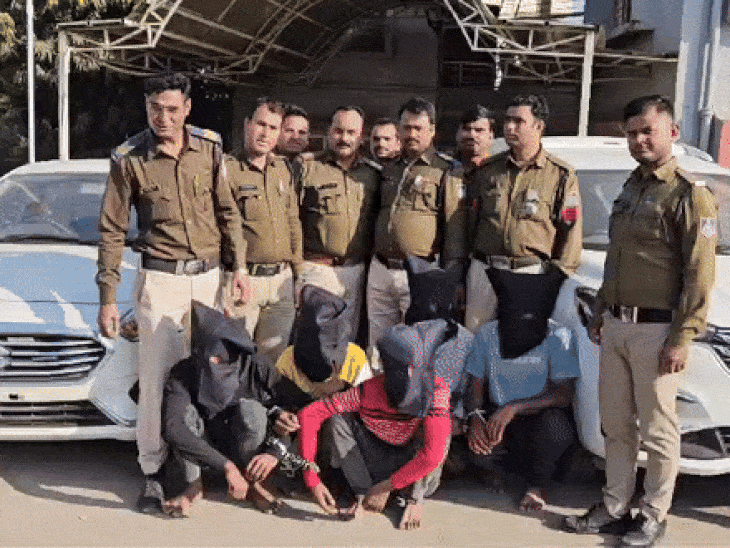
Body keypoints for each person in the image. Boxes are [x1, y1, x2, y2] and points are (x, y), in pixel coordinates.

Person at [565, 95, 717, 548]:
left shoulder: (688, 194)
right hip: (617, 325)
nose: (639, 140)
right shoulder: (631, 187)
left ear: (672, 132)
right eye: (631, 133)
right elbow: (617, 260)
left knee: (658, 430)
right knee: (616, 426)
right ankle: (615, 506)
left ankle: (653, 514)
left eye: (648, 131)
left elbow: (699, 273)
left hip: (658, 331)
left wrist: (682, 336)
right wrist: (601, 311)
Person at [96, 72, 248, 514]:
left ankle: (199, 466)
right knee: (156, 382)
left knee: (208, 375)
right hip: (160, 281)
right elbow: (112, 230)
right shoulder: (129, 159)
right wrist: (108, 297)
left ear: (187, 109)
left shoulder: (210, 147)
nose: (163, 118)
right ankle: (152, 471)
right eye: (154, 109)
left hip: (208, 280)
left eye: (171, 109)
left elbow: (227, 212)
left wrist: (238, 268)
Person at [298, 259, 472, 530]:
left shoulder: (434, 391)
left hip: (412, 465)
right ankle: (362, 492)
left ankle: (413, 498)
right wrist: (311, 477)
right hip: (377, 459)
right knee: (339, 419)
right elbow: (310, 414)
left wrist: (387, 487)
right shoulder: (371, 389)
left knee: (441, 429)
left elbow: (432, 455)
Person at [161, 302, 316, 517]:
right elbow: (173, 428)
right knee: (185, 414)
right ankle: (193, 485)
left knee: (251, 411)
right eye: (213, 360)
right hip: (204, 451)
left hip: (245, 446)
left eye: (226, 361)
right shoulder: (183, 373)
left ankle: (255, 481)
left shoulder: (257, 367)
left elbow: (305, 407)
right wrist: (226, 466)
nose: (220, 365)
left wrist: (275, 451)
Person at [463, 266, 580, 512]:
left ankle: (537, 486)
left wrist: (514, 408)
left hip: (538, 417)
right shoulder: (487, 334)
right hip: (497, 417)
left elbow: (563, 395)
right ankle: (502, 469)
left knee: (556, 431)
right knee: (478, 451)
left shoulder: (559, 336)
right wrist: (475, 418)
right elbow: (475, 383)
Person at [464, 94, 582, 332]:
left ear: (538, 126)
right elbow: (469, 222)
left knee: (521, 342)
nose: (509, 127)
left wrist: (555, 277)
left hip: (528, 273)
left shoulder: (560, 175)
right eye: (507, 120)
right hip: (484, 271)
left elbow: (571, 231)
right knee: (474, 338)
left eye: (518, 121)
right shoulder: (488, 171)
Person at [367, 97, 468, 348]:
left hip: (419, 272)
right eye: (406, 127)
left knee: (415, 346)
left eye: (418, 128)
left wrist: (451, 278)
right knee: (378, 344)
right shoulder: (390, 168)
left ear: (432, 130)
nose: (411, 134)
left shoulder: (446, 170)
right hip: (380, 269)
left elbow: (455, 229)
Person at [224, 97, 302, 365]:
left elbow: (293, 222)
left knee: (272, 362)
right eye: (260, 124)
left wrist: (298, 274)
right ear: (247, 124)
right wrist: (237, 270)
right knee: (235, 360)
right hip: (245, 281)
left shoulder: (282, 169)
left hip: (281, 282)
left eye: (273, 127)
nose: (265, 133)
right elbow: (227, 224)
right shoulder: (228, 169)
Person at [297, 106, 381, 341]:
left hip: (355, 271)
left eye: (351, 132)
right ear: (328, 132)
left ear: (361, 137)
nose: (344, 138)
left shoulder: (372, 174)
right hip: (317, 269)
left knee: (346, 340)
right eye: (338, 131)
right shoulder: (308, 168)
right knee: (313, 342)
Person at [276, 104, 310, 185]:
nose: (295, 137)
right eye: (289, 131)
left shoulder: (317, 169)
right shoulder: (262, 166)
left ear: (308, 137)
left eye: (302, 132)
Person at [455, 105, 495, 170]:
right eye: (466, 129)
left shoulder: (502, 167)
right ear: (458, 132)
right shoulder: (443, 166)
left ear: (491, 135)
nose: (472, 135)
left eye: (479, 130)